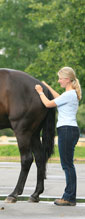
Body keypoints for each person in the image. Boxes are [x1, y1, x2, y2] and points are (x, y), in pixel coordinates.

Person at [35, 67, 82, 206]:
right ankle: (69, 196)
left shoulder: (70, 94)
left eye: (60, 78)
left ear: (67, 79)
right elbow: (58, 97)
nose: (59, 80)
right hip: (68, 130)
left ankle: (69, 197)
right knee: (68, 165)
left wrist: (40, 92)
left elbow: (49, 104)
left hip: (67, 130)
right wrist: (47, 87)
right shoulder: (70, 94)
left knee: (67, 165)